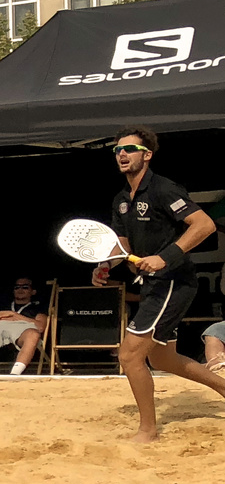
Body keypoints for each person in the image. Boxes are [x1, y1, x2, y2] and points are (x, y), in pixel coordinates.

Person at [94, 127, 224, 442]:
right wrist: (105, 265)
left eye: (130, 149)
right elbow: (122, 244)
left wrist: (165, 257)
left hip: (173, 281)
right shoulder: (121, 200)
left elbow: (204, 225)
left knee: (129, 356)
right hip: (154, 283)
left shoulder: (164, 189)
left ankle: (148, 431)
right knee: (163, 359)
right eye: (118, 151)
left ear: (147, 155)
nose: (122, 155)